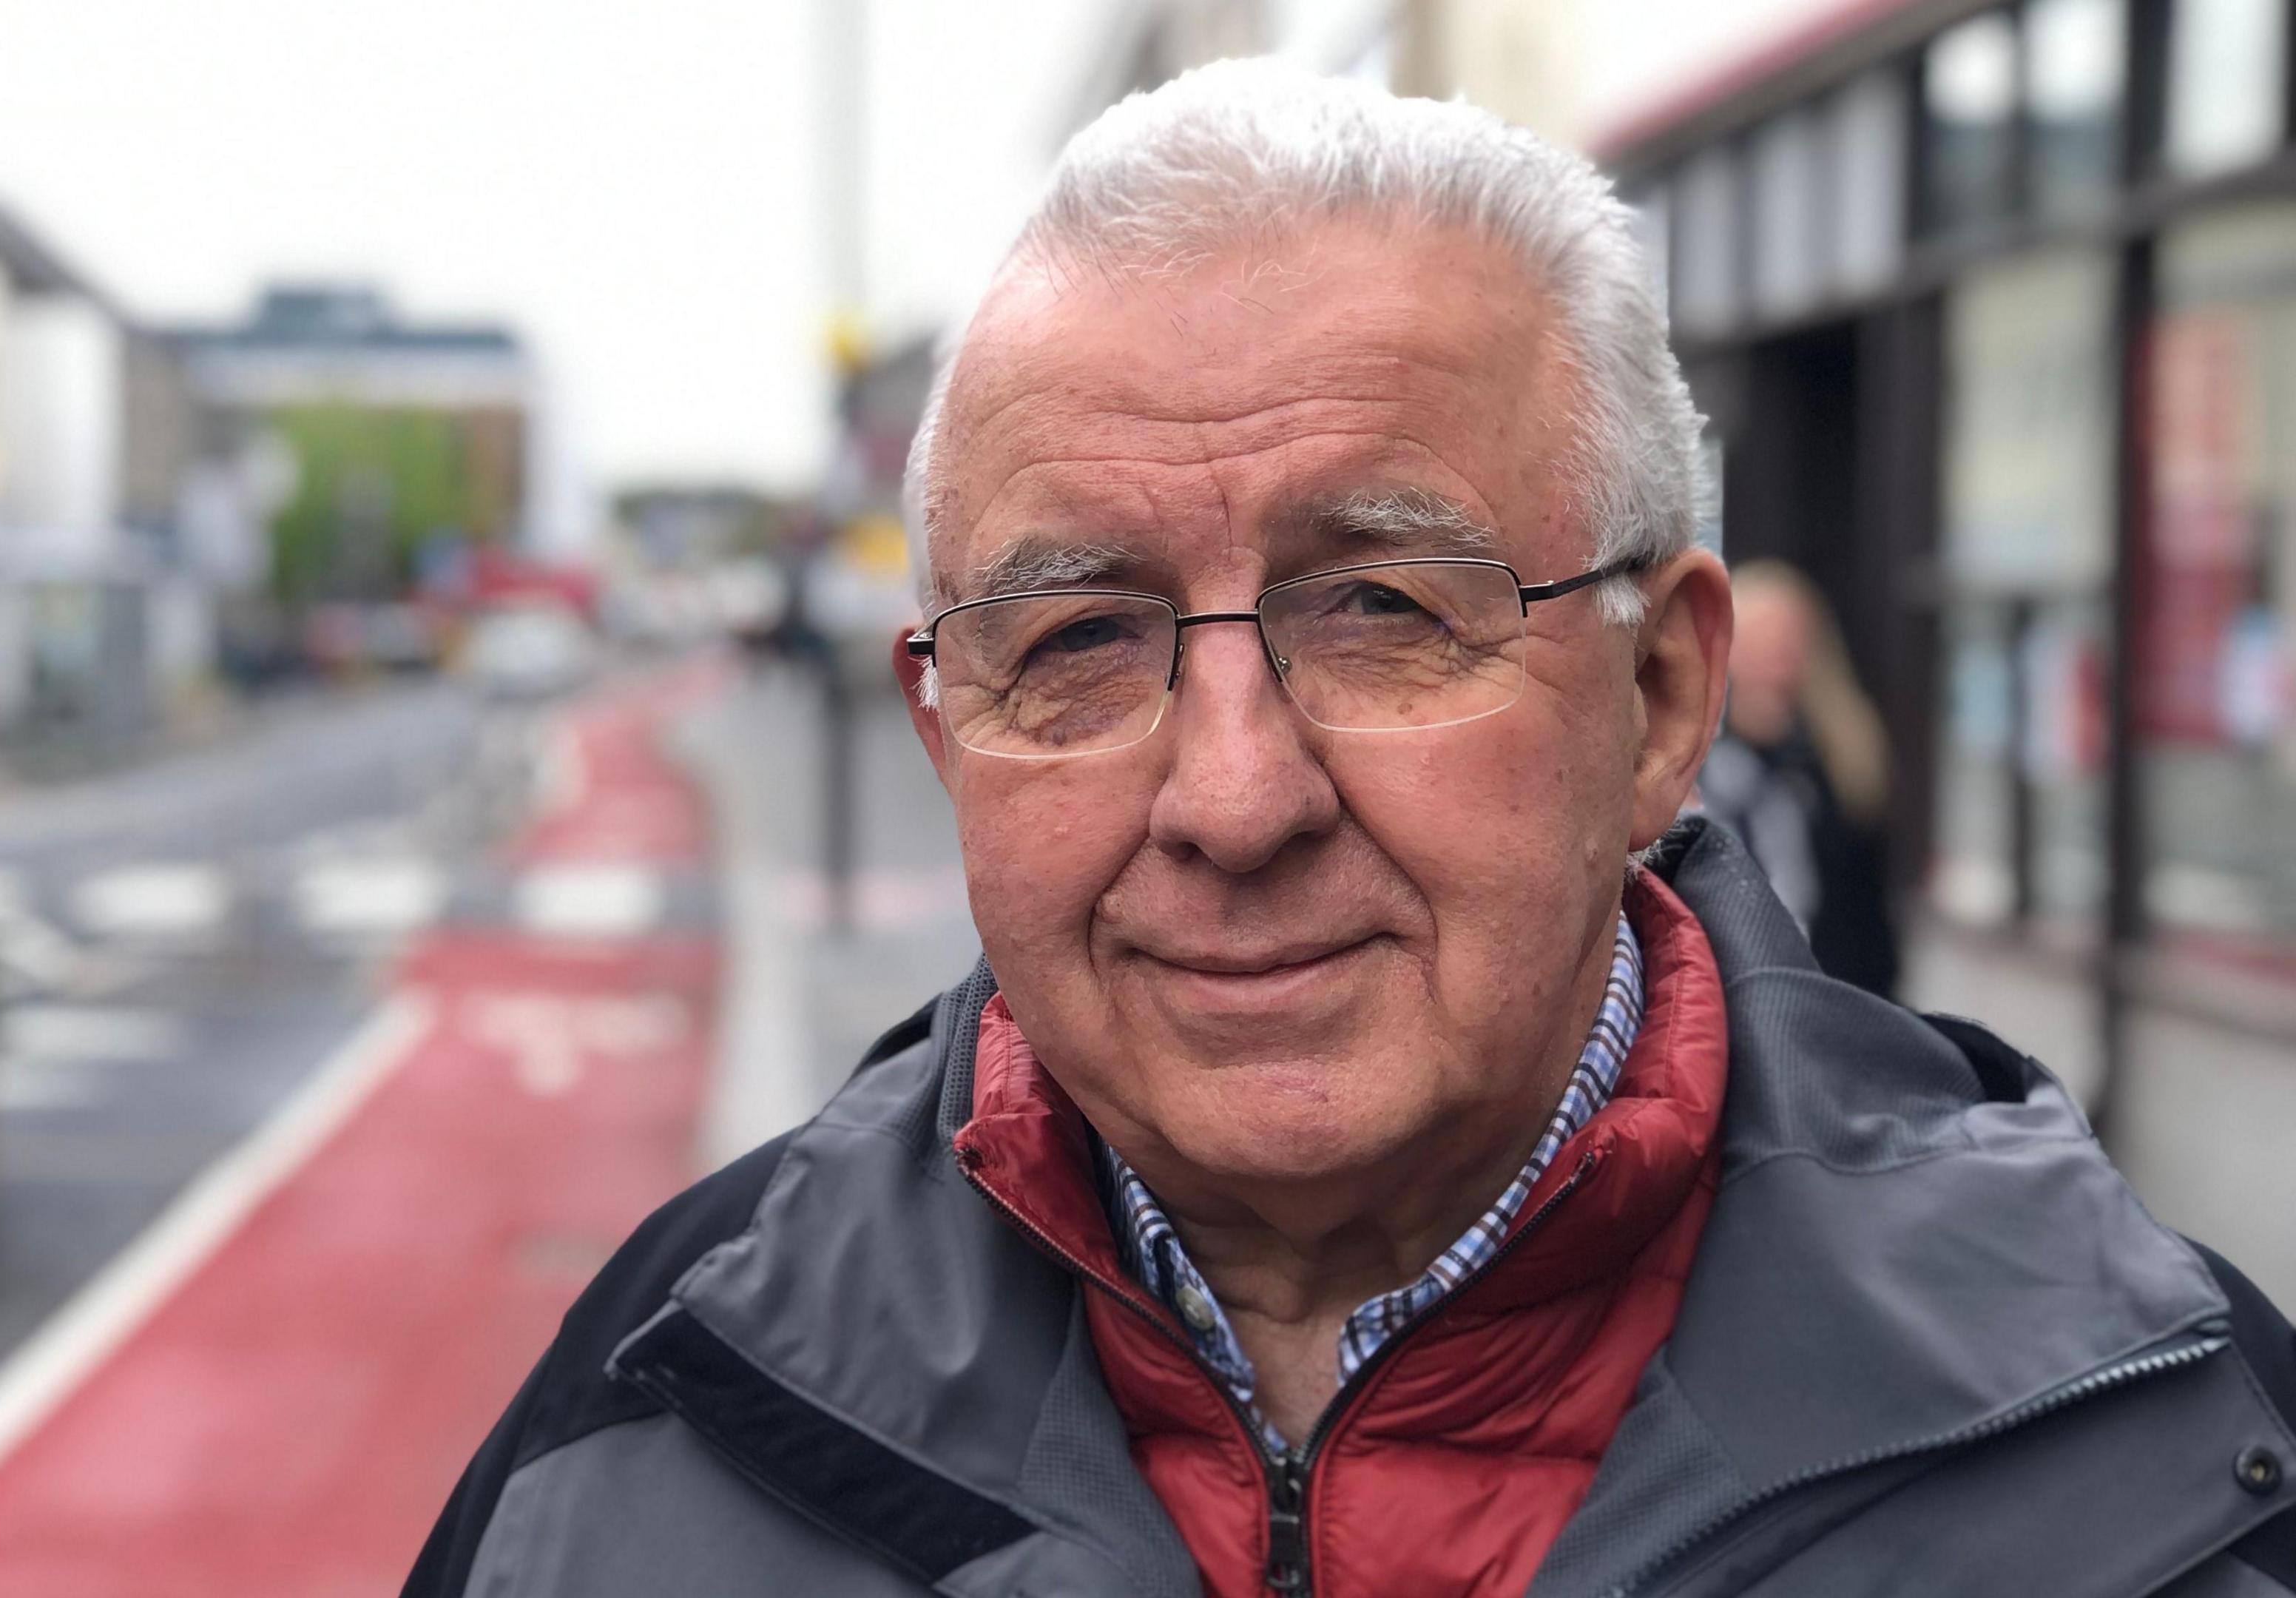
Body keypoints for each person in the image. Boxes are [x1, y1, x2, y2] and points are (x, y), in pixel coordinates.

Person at [405, 63, 2296, 1597]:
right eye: (1074, 639)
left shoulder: (2154, 1452)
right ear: (943, 729)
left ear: (1658, 703)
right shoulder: (644, 1422)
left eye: (1383, 609)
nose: (1232, 799)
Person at [1694, 561, 1900, 994]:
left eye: (1788, 641)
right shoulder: (1699, 758)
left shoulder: (1841, 757)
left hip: (1837, 991)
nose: (1775, 660)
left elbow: (1868, 911)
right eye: (1759, 641)